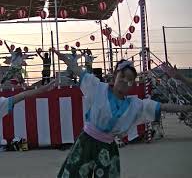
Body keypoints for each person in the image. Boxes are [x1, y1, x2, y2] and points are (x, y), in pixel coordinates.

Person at [53, 50, 192, 178]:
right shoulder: (98, 88)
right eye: (123, 76)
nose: (125, 81)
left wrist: (186, 108)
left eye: (130, 79)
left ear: (132, 85)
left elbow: (162, 107)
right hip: (86, 142)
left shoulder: (135, 105)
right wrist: (65, 59)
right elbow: (79, 71)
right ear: (115, 76)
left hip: (107, 148)